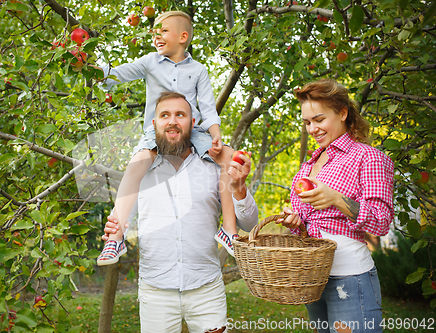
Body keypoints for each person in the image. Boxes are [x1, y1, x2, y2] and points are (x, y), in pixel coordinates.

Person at [103, 92, 258, 333]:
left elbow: (249, 224)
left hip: (207, 290)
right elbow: (121, 220)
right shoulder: (140, 169)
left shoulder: (216, 167)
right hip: (155, 293)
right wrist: (114, 230)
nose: (172, 121)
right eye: (165, 115)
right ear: (154, 124)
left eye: (180, 115)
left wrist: (239, 189)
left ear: (193, 123)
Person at [96, 11, 239, 266]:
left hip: (192, 131)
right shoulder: (150, 61)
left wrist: (216, 136)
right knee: (138, 162)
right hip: (158, 131)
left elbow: (207, 108)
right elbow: (116, 75)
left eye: (162, 31)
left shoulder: (198, 70)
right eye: (153, 33)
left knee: (229, 157)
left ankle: (229, 230)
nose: (156, 37)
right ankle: (115, 238)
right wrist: (94, 68)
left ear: (182, 37)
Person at [276, 79, 394, 333]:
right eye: (307, 122)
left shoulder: (368, 157)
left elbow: (381, 221)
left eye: (319, 119)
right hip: (315, 279)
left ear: (342, 112)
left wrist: (337, 199)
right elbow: (309, 227)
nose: (313, 129)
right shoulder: (308, 167)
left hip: (351, 279)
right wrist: (295, 220)